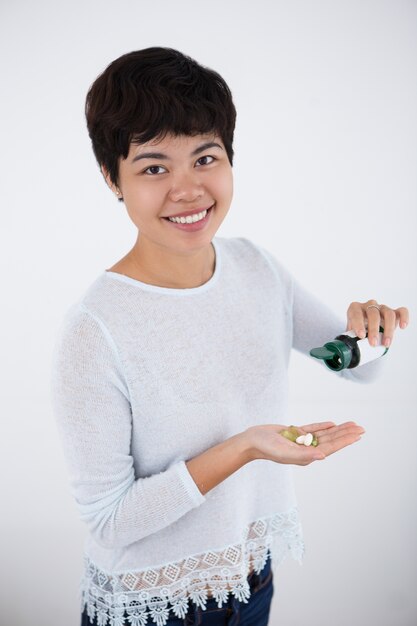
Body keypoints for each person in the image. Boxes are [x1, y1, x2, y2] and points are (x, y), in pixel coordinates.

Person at [50, 47, 409, 626]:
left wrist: (374, 325)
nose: (188, 189)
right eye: (154, 167)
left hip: (251, 582)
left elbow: (360, 364)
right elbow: (110, 518)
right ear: (111, 177)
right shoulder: (94, 330)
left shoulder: (257, 269)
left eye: (205, 157)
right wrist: (243, 448)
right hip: (155, 607)